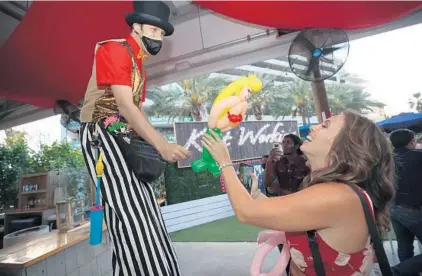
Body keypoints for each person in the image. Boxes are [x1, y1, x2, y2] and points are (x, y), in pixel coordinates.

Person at [202, 110, 395, 275]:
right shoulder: (338, 191)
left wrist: (224, 162)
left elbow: (247, 212)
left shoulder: (338, 195)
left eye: (325, 126)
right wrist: (257, 198)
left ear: (347, 145)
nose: (313, 127)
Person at [79, 1, 190, 275]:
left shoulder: (139, 65)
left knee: (143, 211)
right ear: (136, 27)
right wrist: (161, 146)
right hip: (101, 133)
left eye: (161, 33)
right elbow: (125, 106)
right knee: (132, 215)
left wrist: (157, 144)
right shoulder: (115, 49)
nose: (157, 37)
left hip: (120, 133)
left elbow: (135, 112)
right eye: (153, 29)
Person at [389, 129, 422, 276]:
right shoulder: (417, 156)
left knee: (404, 248)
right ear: (411, 142)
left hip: (392, 208)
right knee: (405, 248)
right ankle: (396, 271)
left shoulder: (388, 159)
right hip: (412, 209)